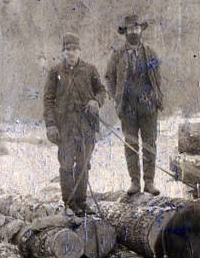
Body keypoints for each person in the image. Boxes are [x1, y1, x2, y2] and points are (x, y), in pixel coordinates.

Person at [43, 33, 107, 214]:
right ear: (62, 52)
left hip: (86, 126)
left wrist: (96, 101)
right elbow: (48, 100)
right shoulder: (55, 72)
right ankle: (69, 203)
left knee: (83, 164)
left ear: (79, 50)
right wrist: (51, 125)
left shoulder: (90, 69)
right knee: (66, 164)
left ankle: (82, 202)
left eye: (73, 49)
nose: (70, 53)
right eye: (67, 50)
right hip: (64, 128)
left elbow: (102, 91)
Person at [105, 14, 163, 196]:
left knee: (149, 144)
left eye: (137, 28)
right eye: (130, 29)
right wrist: (115, 98)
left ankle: (150, 182)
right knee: (131, 145)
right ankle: (135, 182)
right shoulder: (117, 55)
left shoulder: (151, 53)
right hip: (127, 107)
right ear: (125, 32)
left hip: (148, 107)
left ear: (141, 30)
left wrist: (156, 97)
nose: (134, 32)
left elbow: (157, 78)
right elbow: (109, 78)